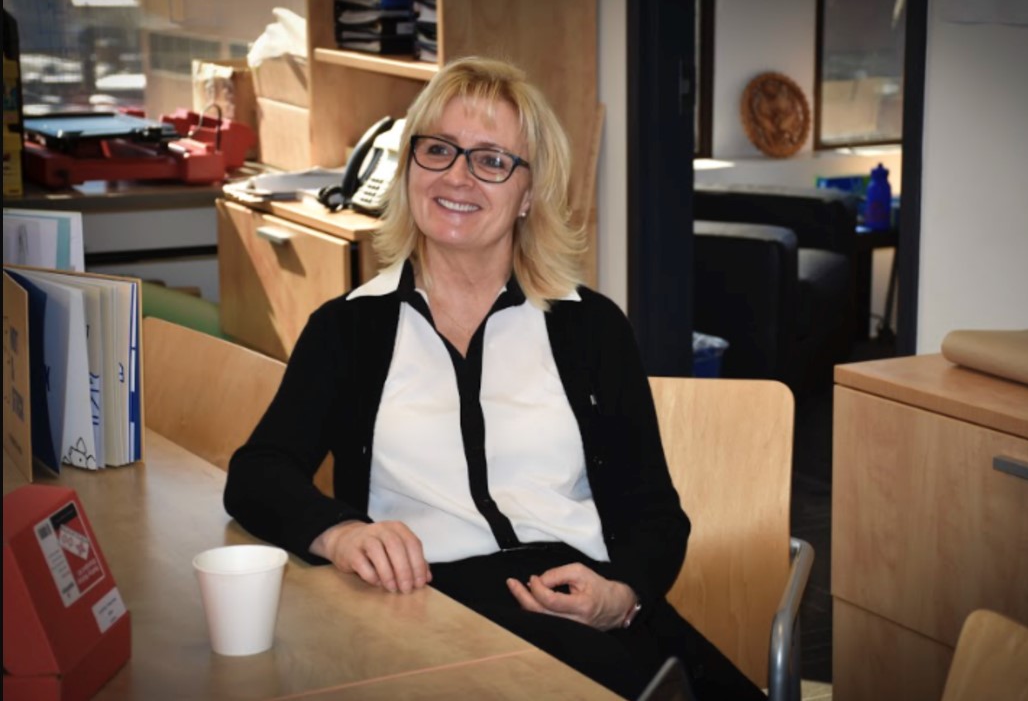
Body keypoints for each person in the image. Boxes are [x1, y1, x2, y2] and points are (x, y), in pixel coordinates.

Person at [223, 56, 765, 701]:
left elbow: (654, 509)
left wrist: (623, 593)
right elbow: (258, 474)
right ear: (409, 167)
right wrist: (343, 533)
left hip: (586, 599)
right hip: (437, 606)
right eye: (439, 150)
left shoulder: (589, 327)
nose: (458, 176)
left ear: (529, 193)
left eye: (492, 160)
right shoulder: (350, 328)